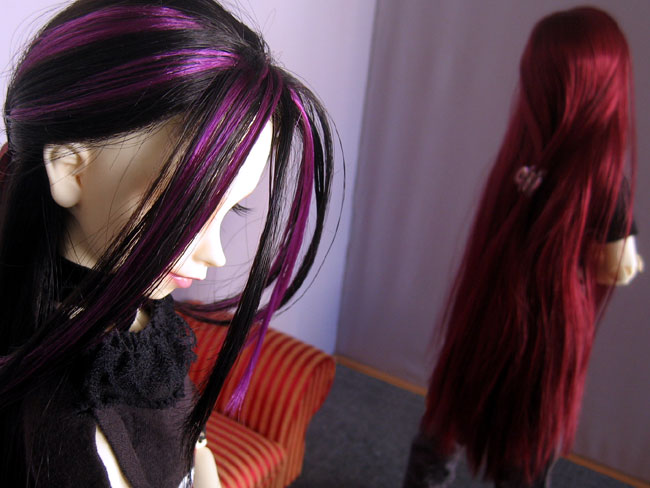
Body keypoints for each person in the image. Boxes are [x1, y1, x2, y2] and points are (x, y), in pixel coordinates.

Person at [0, 1, 333, 486]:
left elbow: (193, 441)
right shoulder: (52, 419)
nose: (215, 253)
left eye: (232, 209)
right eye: (187, 209)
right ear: (71, 170)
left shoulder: (140, 307)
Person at [403, 7, 643, 488]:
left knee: (446, 422)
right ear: (607, 85)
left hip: (489, 308)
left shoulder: (522, 158)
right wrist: (631, 257)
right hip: (549, 332)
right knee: (527, 448)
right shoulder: (602, 180)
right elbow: (615, 269)